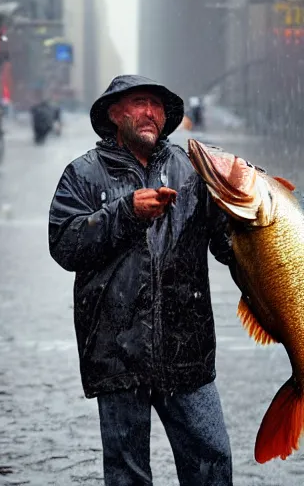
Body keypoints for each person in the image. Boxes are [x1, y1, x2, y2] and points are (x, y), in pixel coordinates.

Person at [48, 75, 235, 485]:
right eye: (139, 103)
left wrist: (259, 213)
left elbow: (228, 245)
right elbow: (64, 244)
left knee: (212, 463)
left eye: (157, 105)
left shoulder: (193, 171)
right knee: (127, 475)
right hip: (117, 352)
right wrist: (125, 213)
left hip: (188, 351)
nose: (150, 112)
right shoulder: (83, 175)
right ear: (115, 114)